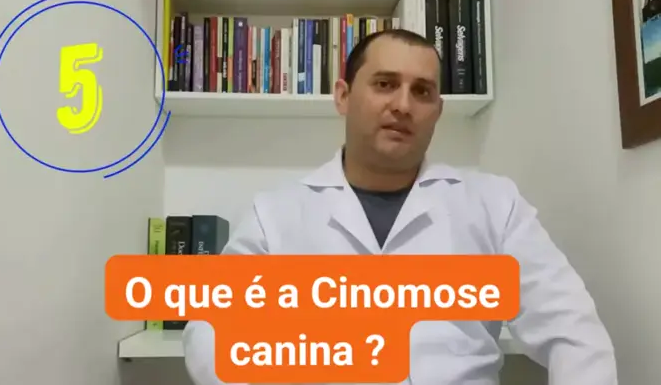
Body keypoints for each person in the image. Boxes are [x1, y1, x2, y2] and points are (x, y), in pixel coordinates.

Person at [182, 29, 617, 384]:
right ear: (343, 96)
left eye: (422, 91)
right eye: (385, 84)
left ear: (437, 110)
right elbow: (210, 328)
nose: (403, 105)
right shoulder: (275, 215)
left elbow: (573, 329)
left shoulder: (494, 205)